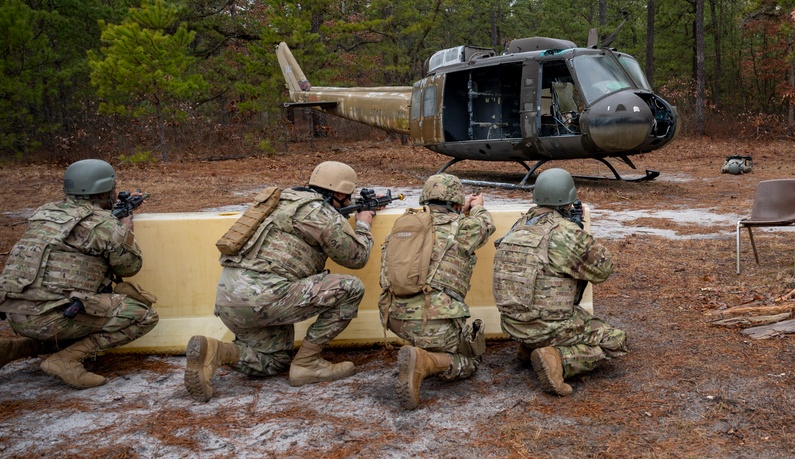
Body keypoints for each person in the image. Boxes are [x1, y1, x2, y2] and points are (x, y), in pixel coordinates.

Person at [184, 161, 375, 402]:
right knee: (351, 288)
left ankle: (216, 351)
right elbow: (357, 257)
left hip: (229, 298)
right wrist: (364, 224)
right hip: (266, 296)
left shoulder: (278, 202)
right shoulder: (320, 213)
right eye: (348, 197)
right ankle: (307, 363)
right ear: (338, 193)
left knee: (273, 361)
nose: (348, 202)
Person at [0, 159, 159, 388]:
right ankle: (67, 360)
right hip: (54, 318)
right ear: (105, 190)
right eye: (113, 188)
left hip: (16, 315)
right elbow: (129, 267)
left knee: (69, 313)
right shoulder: (105, 225)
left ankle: (16, 348)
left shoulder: (45, 213)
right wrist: (125, 231)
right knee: (144, 315)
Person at [492, 168, 626, 396]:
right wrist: (578, 231)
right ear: (568, 199)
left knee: (570, 315)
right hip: (546, 325)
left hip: (512, 323)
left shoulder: (521, 224)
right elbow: (603, 270)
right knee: (615, 341)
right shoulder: (564, 233)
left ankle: (528, 348)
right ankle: (558, 360)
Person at [379, 174, 496, 410]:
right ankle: (427, 360)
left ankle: (420, 349)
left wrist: (456, 209)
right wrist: (477, 208)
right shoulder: (463, 226)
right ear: (455, 202)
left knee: (431, 330)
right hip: (434, 323)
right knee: (470, 361)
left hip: (394, 319)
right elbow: (486, 226)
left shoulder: (403, 225)